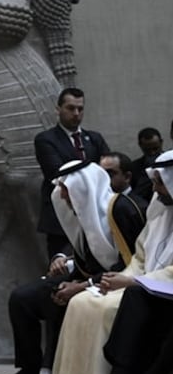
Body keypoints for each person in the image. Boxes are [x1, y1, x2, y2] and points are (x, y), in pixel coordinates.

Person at [0, 159, 144, 374]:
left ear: (83, 188)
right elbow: (85, 254)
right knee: (22, 298)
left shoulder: (120, 211)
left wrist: (81, 285)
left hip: (113, 283)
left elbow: (129, 264)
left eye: (66, 189)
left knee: (68, 301)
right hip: (85, 278)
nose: (63, 196)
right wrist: (69, 278)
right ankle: (31, 368)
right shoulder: (83, 212)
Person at [50, 151, 173, 374]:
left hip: (155, 290)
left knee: (107, 308)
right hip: (141, 282)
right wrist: (122, 279)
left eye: (160, 182)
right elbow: (140, 256)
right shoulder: (160, 214)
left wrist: (130, 281)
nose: (155, 189)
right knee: (83, 302)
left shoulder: (122, 209)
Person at [34, 88, 111, 260]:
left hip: (95, 214)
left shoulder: (94, 138)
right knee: (60, 269)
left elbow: (106, 172)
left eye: (80, 109)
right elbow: (57, 173)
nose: (76, 113)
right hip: (62, 214)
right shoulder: (46, 139)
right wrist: (92, 172)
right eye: (70, 108)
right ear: (58, 109)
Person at [130, 127, 163, 202]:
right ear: (140, 145)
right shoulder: (134, 167)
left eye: (155, 148)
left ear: (161, 142)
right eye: (147, 150)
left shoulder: (170, 162)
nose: (152, 153)